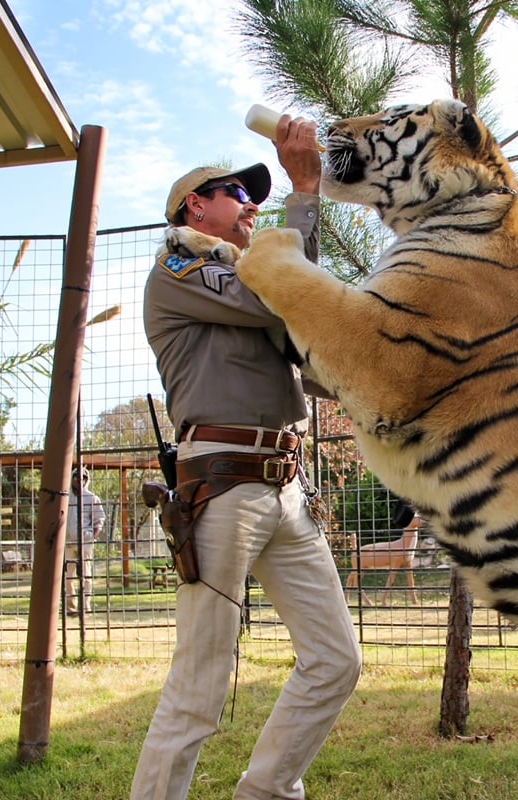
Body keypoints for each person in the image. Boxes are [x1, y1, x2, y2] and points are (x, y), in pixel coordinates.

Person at [132, 115, 361, 800]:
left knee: (336, 661)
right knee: (200, 685)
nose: (250, 203)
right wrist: (304, 190)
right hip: (223, 485)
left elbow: (310, 334)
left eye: (254, 194)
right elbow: (283, 294)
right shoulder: (180, 265)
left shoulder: (248, 280)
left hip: (288, 486)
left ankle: (264, 792)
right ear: (193, 207)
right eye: (235, 191)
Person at [64, 466, 104, 615]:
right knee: (68, 577)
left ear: (86, 480)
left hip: (85, 542)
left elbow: (99, 519)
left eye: (83, 477)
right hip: (67, 543)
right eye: (76, 476)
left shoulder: (92, 497)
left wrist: (92, 535)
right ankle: (71, 607)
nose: (78, 480)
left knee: (86, 576)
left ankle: (85, 606)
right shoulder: (66, 496)